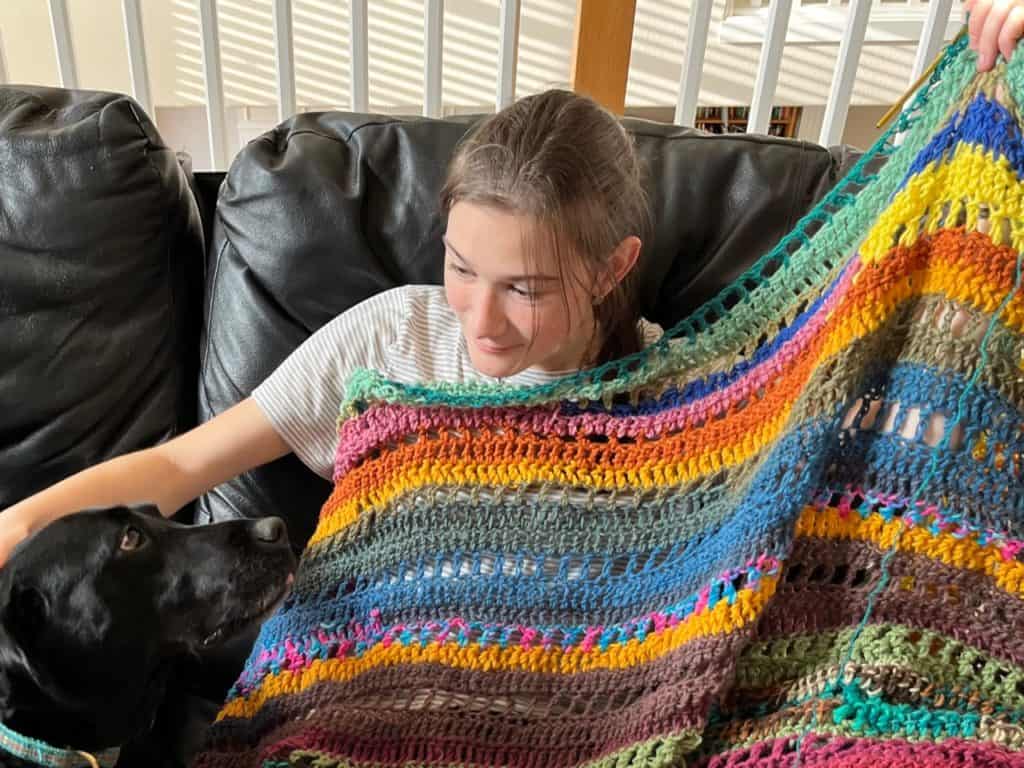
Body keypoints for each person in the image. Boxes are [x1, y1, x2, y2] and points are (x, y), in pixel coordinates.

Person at [0, 3, 1022, 568]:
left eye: (525, 289)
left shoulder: (684, 392)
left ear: (613, 266)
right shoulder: (390, 339)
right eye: (459, 266)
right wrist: (13, 527)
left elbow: (899, 361)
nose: (477, 321)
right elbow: (179, 469)